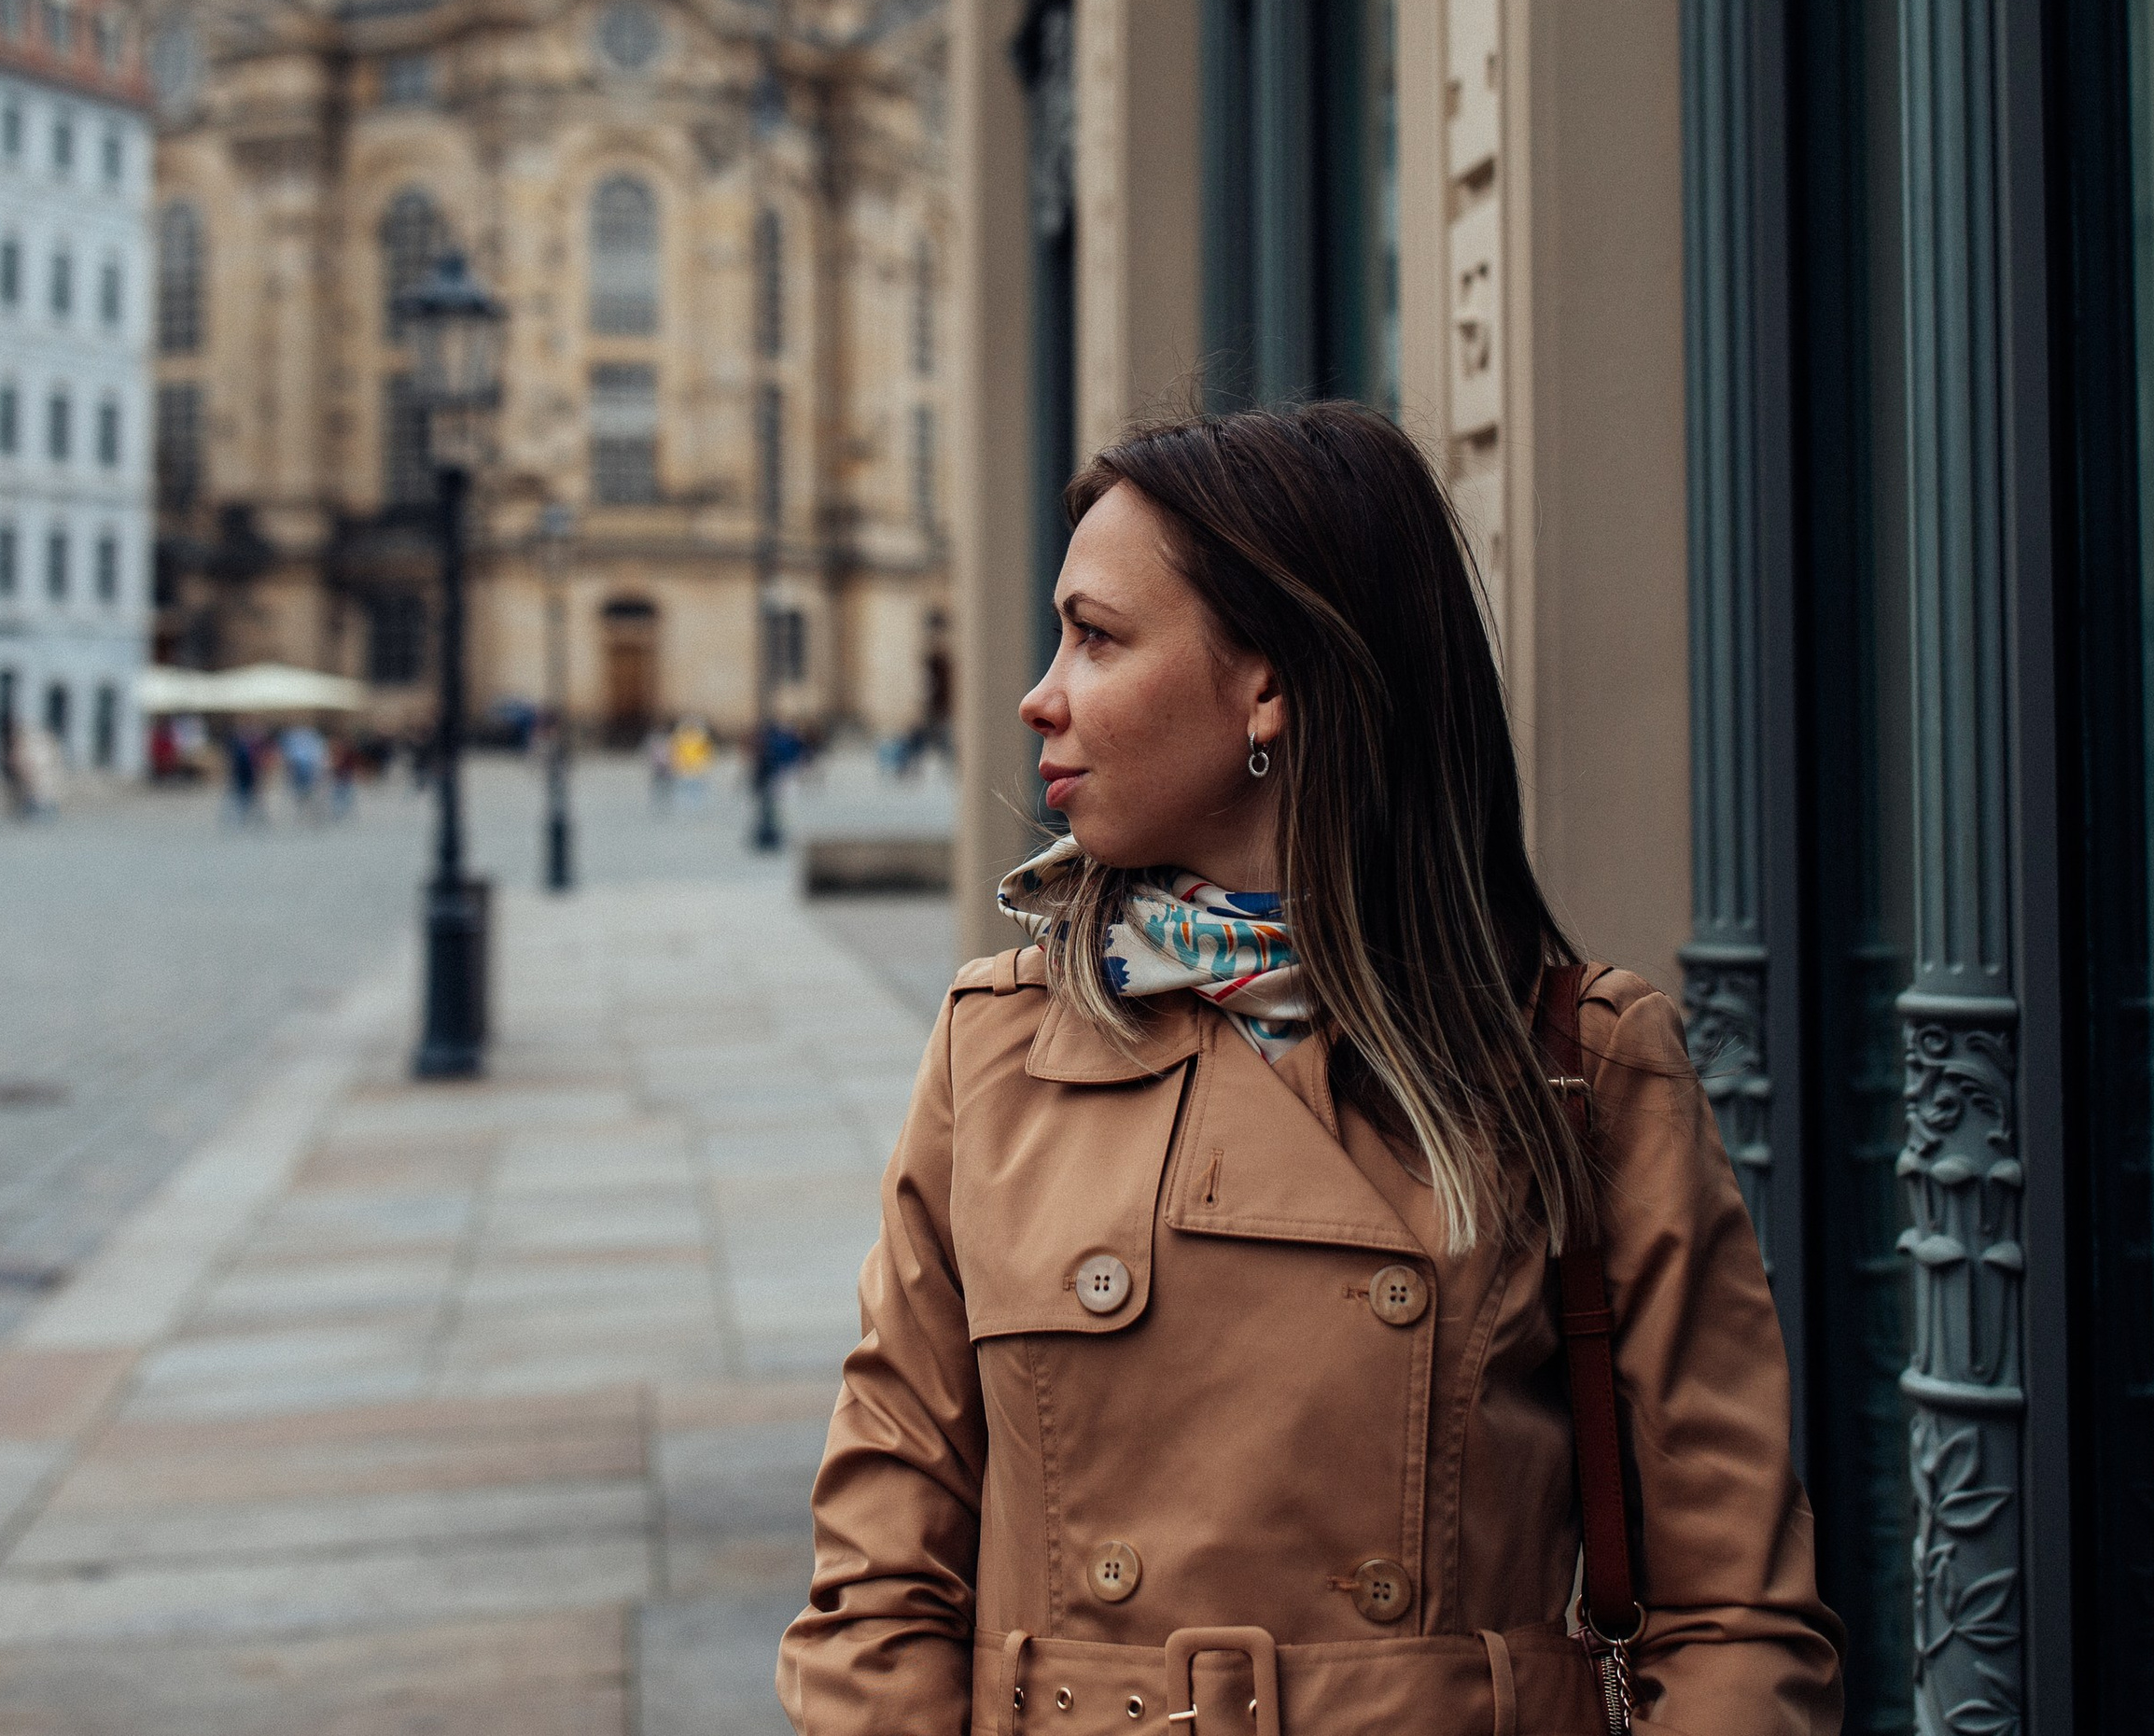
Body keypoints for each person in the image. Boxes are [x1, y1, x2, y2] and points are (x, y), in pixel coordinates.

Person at [778, 404, 1842, 1735]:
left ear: (1268, 686)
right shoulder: (998, 1051)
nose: (1039, 694)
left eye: (1096, 637)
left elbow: (1734, 1615)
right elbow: (877, 1591)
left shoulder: (1580, 1064)